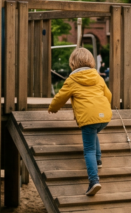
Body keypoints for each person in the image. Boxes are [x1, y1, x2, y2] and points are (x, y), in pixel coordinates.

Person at [48, 48, 113, 197]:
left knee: (88, 148)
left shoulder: (72, 80)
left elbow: (60, 97)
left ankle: (94, 181)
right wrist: (103, 108)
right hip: (105, 117)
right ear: (91, 61)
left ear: (72, 63)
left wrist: (53, 108)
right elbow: (108, 94)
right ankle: (98, 160)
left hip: (88, 117)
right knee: (93, 132)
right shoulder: (97, 77)